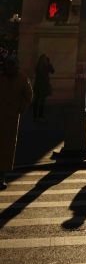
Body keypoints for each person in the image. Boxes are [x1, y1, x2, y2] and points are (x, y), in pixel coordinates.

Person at [0, 55, 33, 189]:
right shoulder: (2, 78)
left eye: (12, 65)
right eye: (8, 65)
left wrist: (21, 108)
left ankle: (1, 176)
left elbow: (29, 95)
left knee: (6, 148)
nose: (10, 68)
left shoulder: (22, 78)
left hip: (11, 119)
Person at [32, 53, 54, 121]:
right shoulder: (45, 66)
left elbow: (52, 71)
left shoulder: (38, 66)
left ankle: (36, 115)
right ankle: (40, 115)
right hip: (43, 85)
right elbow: (52, 71)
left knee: (37, 100)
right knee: (41, 101)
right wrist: (49, 65)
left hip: (39, 85)